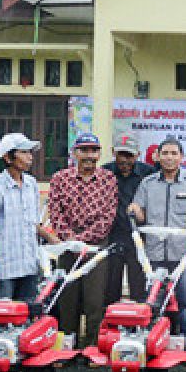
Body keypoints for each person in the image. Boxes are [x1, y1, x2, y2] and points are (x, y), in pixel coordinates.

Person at [129, 137, 186, 347]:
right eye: (165, 153)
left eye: (174, 153)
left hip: (182, 255)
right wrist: (135, 210)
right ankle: (152, 346)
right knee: (154, 302)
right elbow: (139, 212)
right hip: (154, 255)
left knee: (185, 303)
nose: (169, 157)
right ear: (157, 156)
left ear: (181, 157)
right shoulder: (147, 183)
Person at [47, 132, 118, 346]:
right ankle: (68, 346)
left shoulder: (108, 179)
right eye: (84, 150)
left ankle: (92, 347)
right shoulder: (60, 178)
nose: (89, 155)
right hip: (67, 246)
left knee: (94, 300)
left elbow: (109, 215)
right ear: (74, 153)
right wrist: (71, 239)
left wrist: (85, 240)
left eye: (93, 150)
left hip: (96, 247)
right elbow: (55, 211)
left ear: (99, 153)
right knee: (68, 298)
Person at [0, 133, 58, 301]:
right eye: (24, 152)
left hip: (29, 265)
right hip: (4, 268)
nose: (30, 157)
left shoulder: (31, 184)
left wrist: (55, 241)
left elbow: (33, 223)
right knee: (4, 319)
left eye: (30, 152)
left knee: (28, 316)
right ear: (8, 157)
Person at [103, 134, 154, 304]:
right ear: (113, 152)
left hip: (139, 238)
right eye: (121, 154)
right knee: (110, 288)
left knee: (139, 289)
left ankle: (136, 326)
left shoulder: (148, 173)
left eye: (129, 155)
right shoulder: (104, 173)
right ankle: (110, 326)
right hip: (112, 237)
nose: (125, 160)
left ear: (138, 154)